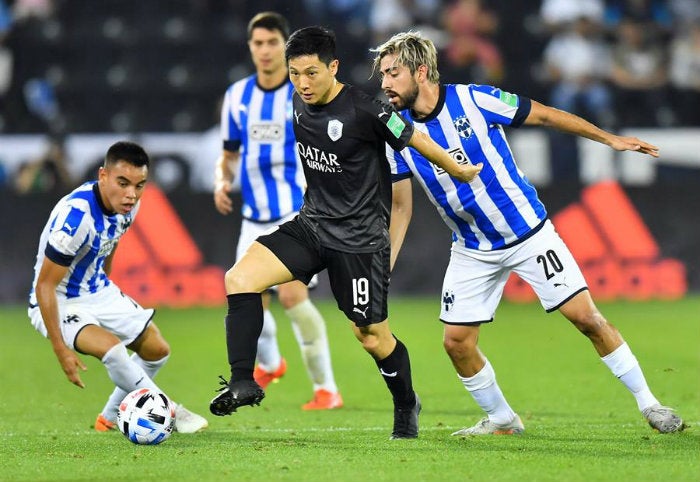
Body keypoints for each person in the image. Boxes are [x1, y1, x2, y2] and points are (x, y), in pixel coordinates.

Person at [371, 31, 685, 436]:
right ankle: (503, 420)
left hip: (529, 234)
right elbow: (400, 205)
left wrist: (610, 140)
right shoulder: (396, 135)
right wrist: (386, 264)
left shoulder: (474, 100)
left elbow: (547, 115)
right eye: (382, 75)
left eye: (393, 73)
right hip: (472, 249)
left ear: (421, 70)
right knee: (456, 344)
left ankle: (651, 405)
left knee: (586, 318)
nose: (384, 84)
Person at [209, 26, 482, 440]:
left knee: (371, 336)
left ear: (333, 67)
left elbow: (414, 137)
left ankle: (406, 402)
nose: (303, 83)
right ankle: (244, 380)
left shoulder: (366, 110)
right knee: (239, 278)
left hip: (359, 241)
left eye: (312, 73)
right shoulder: (297, 102)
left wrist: (458, 169)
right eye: (295, 73)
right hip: (312, 226)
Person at [28, 141, 208, 434]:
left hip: (98, 290)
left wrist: (108, 292)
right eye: (122, 183)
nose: (131, 194)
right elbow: (45, 286)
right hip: (59, 300)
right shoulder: (75, 219)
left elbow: (110, 246)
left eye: (139, 185)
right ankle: (169, 411)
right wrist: (60, 349)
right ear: (103, 175)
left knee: (157, 350)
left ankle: (109, 417)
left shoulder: (130, 207)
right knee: (112, 350)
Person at [213, 12, 343, 411]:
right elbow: (229, 153)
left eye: (272, 43)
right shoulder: (237, 96)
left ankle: (326, 389)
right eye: (258, 43)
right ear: (250, 48)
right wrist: (222, 180)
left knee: (291, 298)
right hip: (253, 216)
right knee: (244, 296)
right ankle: (271, 363)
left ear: (284, 47)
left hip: (293, 213)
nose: (265, 51)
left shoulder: (300, 92)